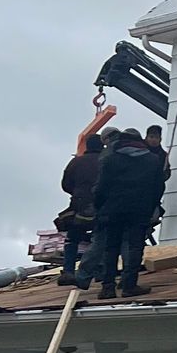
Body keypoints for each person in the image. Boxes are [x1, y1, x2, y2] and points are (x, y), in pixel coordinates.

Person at [86, 129, 167, 300]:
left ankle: (107, 287)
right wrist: (150, 206)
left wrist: (100, 207)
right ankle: (129, 285)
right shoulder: (152, 160)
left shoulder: (111, 159)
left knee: (111, 248)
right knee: (135, 247)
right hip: (139, 211)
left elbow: (101, 187)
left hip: (112, 210)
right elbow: (159, 187)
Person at [58, 102, 117, 285]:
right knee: (99, 240)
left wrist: (77, 193)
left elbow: (65, 184)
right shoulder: (106, 161)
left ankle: (68, 270)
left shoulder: (77, 162)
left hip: (79, 207)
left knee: (73, 239)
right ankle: (99, 271)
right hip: (101, 206)